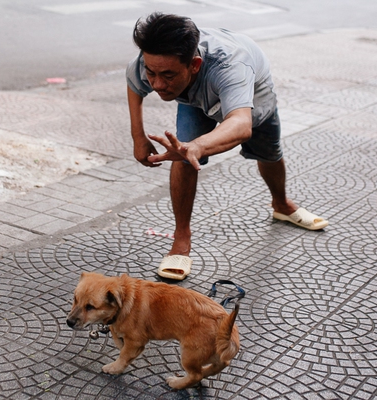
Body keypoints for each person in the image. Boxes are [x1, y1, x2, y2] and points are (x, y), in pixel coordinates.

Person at [125, 13, 328, 280]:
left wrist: (197, 146)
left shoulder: (230, 66)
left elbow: (242, 124)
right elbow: (133, 85)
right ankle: (181, 239)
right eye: (152, 73)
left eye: (168, 75)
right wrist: (138, 137)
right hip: (194, 98)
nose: (158, 84)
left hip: (253, 97)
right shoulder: (151, 60)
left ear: (194, 64)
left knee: (269, 153)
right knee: (183, 157)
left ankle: (282, 205)